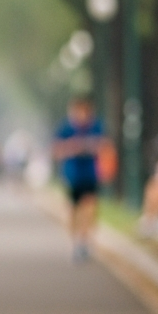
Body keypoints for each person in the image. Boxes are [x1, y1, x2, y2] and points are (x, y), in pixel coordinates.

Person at [52, 97, 109, 262]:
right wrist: (72, 148)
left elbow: (104, 145)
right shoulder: (66, 127)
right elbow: (56, 149)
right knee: (73, 210)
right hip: (72, 175)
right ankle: (75, 242)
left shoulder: (96, 126)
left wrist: (92, 146)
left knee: (89, 207)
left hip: (90, 174)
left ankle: (85, 240)